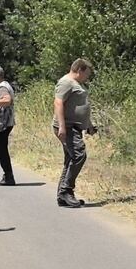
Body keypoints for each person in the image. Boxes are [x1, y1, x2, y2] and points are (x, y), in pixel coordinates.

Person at [52, 59, 97, 208]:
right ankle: (66, 191)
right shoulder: (66, 82)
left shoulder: (77, 84)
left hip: (74, 127)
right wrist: (62, 127)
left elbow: (80, 106)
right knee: (79, 155)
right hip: (67, 127)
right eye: (86, 74)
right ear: (79, 70)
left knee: (71, 158)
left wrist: (89, 125)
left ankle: (62, 195)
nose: (87, 77)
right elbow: (58, 103)